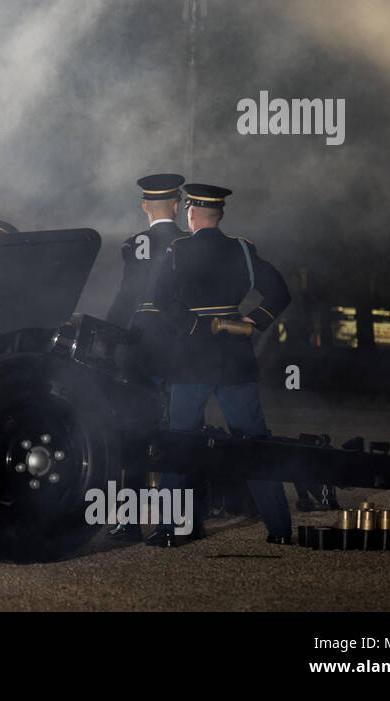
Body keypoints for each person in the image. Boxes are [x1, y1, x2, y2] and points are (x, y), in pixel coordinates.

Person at [147, 183, 293, 547]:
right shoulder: (243, 249)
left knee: (180, 442)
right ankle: (280, 529)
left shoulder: (178, 249)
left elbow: (160, 299)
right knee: (255, 443)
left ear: (192, 213)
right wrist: (253, 321)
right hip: (234, 356)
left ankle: (171, 529)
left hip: (192, 357)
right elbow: (280, 293)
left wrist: (195, 325)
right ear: (221, 214)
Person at [106, 173, 188, 541]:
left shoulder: (133, 244)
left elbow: (125, 299)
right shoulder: (188, 243)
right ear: (176, 205)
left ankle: (128, 522)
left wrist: (108, 336)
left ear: (144, 206)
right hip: (178, 345)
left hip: (137, 345)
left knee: (134, 432)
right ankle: (173, 523)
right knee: (177, 432)